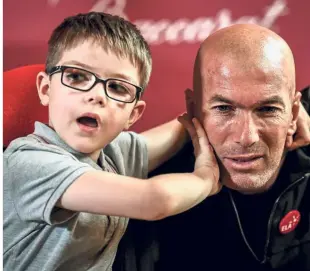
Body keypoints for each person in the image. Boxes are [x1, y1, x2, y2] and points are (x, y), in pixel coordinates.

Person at [3, 12, 223, 271]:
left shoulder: (111, 153)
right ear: (46, 89)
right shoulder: (29, 162)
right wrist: (205, 179)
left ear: (133, 114)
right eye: (76, 77)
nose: (96, 95)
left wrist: (217, 109)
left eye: (117, 88)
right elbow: (154, 200)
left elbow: (179, 130)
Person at [113, 24, 310, 271]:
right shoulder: (148, 203)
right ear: (193, 109)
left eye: (267, 109)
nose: (246, 137)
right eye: (224, 109)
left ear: (293, 114)